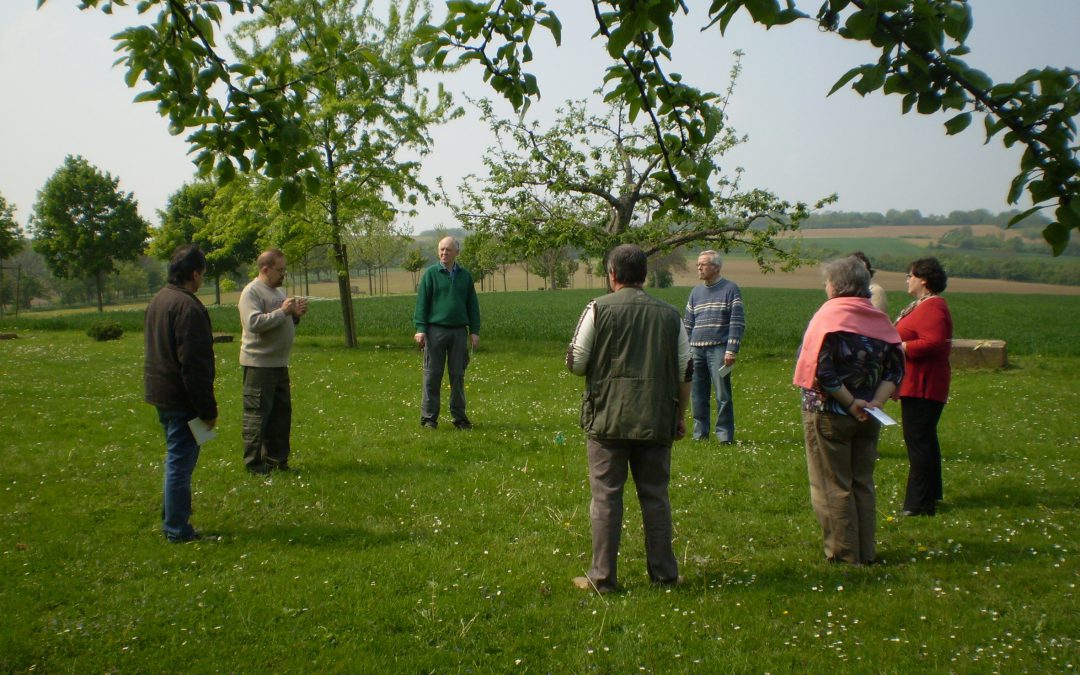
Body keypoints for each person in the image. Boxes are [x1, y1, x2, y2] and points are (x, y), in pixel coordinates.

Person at [566, 244, 692, 593]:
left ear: (612, 275)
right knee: (655, 496)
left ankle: (603, 577)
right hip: (656, 417)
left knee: (606, 497)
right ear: (645, 276)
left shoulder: (597, 308)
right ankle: (665, 575)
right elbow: (686, 370)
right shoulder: (670, 315)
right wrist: (679, 415)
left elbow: (576, 362)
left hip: (607, 418)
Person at [794, 255, 904, 565]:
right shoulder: (879, 320)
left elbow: (822, 370)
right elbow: (895, 370)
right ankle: (866, 551)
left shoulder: (829, 318)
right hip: (870, 414)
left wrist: (848, 401)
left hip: (831, 412)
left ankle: (844, 554)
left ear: (836, 286)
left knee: (832, 485)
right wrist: (876, 401)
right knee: (862, 484)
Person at [144, 244, 217, 543]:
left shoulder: (160, 299)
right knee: (179, 463)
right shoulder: (188, 307)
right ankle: (176, 529)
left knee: (177, 459)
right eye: (202, 274)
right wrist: (207, 410)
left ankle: (171, 519)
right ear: (195, 274)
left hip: (161, 391)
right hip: (180, 397)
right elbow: (194, 366)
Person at [238, 249, 307, 475]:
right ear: (265, 269)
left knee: (281, 415)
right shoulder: (251, 292)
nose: (283, 274)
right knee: (257, 416)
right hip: (259, 364)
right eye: (280, 270)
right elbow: (254, 323)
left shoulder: (277, 290)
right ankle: (256, 464)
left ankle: (278, 460)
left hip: (279, 363)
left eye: (285, 269)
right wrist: (283, 311)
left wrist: (294, 315)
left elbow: (281, 320)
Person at [896, 257, 953, 516]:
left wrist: (901, 347)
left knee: (919, 442)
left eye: (910, 275)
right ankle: (930, 494)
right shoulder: (922, 305)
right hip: (917, 383)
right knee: (925, 440)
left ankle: (919, 504)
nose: (907, 279)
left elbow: (933, 343)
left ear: (924, 280)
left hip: (924, 385)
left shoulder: (934, 307)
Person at [413, 236, 481, 430]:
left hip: (459, 332)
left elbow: (472, 306)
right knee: (432, 376)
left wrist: (474, 331)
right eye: (441, 250)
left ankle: (459, 418)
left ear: (456, 253)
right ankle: (429, 419)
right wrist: (420, 329)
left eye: (448, 250)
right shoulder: (430, 275)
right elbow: (422, 305)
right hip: (435, 332)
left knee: (457, 376)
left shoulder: (465, 276)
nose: (444, 253)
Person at [683, 250, 745, 443]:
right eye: (698, 265)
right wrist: (685, 351)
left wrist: (731, 349)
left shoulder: (730, 289)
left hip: (719, 349)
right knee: (697, 395)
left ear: (716, 267)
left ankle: (724, 436)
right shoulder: (695, 292)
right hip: (696, 350)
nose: (699, 268)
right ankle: (700, 435)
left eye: (703, 264)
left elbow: (737, 322)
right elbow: (688, 323)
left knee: (722, 394)